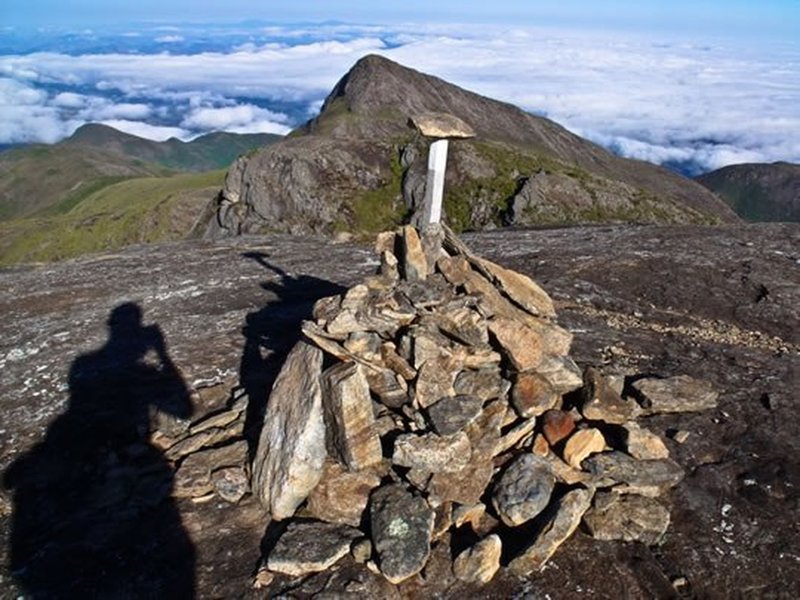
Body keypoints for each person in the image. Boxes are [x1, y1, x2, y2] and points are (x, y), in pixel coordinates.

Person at [4, 302, 196, 598]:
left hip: (97, 466)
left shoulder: (82, 365)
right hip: (123, 465)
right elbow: (184, 409)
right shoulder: (136, 368)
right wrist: (163, 354)